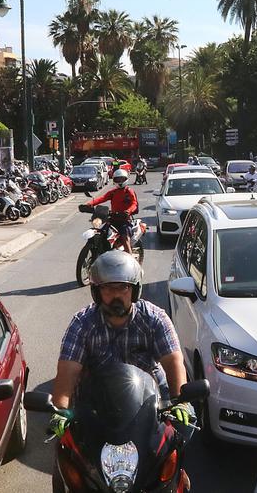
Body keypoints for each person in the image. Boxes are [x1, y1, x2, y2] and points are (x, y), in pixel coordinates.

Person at [49, 252, 192, 438]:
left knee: (183, 432)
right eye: (108, 288)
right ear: (96, 292)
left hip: (151, 402)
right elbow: (68, 371)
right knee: (67, 449)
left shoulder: (155, 318)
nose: (116, 295)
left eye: (123, 287)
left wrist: (179, 400)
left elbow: (173, 361)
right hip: (97, 404)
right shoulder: (82, 323)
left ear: (135, 290)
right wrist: (61, 410)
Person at [84, 169, 139, 253]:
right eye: (118, 179)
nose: (120, 181)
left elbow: (134, 203)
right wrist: (90, 204)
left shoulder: (129, 192)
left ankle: (130, 258)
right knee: (102, 233)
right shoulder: (113, 192)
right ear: (114, 180)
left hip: (125, 220)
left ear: (126, 179)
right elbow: (102, 198)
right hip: (113, 218)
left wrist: (128, 211)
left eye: (122, 179)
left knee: (125, 239)